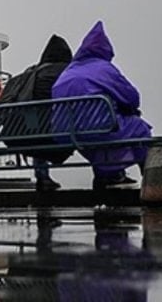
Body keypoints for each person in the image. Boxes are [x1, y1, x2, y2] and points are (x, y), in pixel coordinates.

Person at [51, 21, 153, 190]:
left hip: (66, 132)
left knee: (98, 135)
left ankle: (106, 175)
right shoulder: (104, 68)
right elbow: (132, 97)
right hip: (98, 129)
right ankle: (150, 178)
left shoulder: (67, 72)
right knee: (140, 128)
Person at [0, 34, 73, 191]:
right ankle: (107, 174)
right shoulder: (67, 73)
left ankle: (42, 176)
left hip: (26, 132)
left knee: (36, 127)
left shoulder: (30, 73)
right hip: (59, 132)